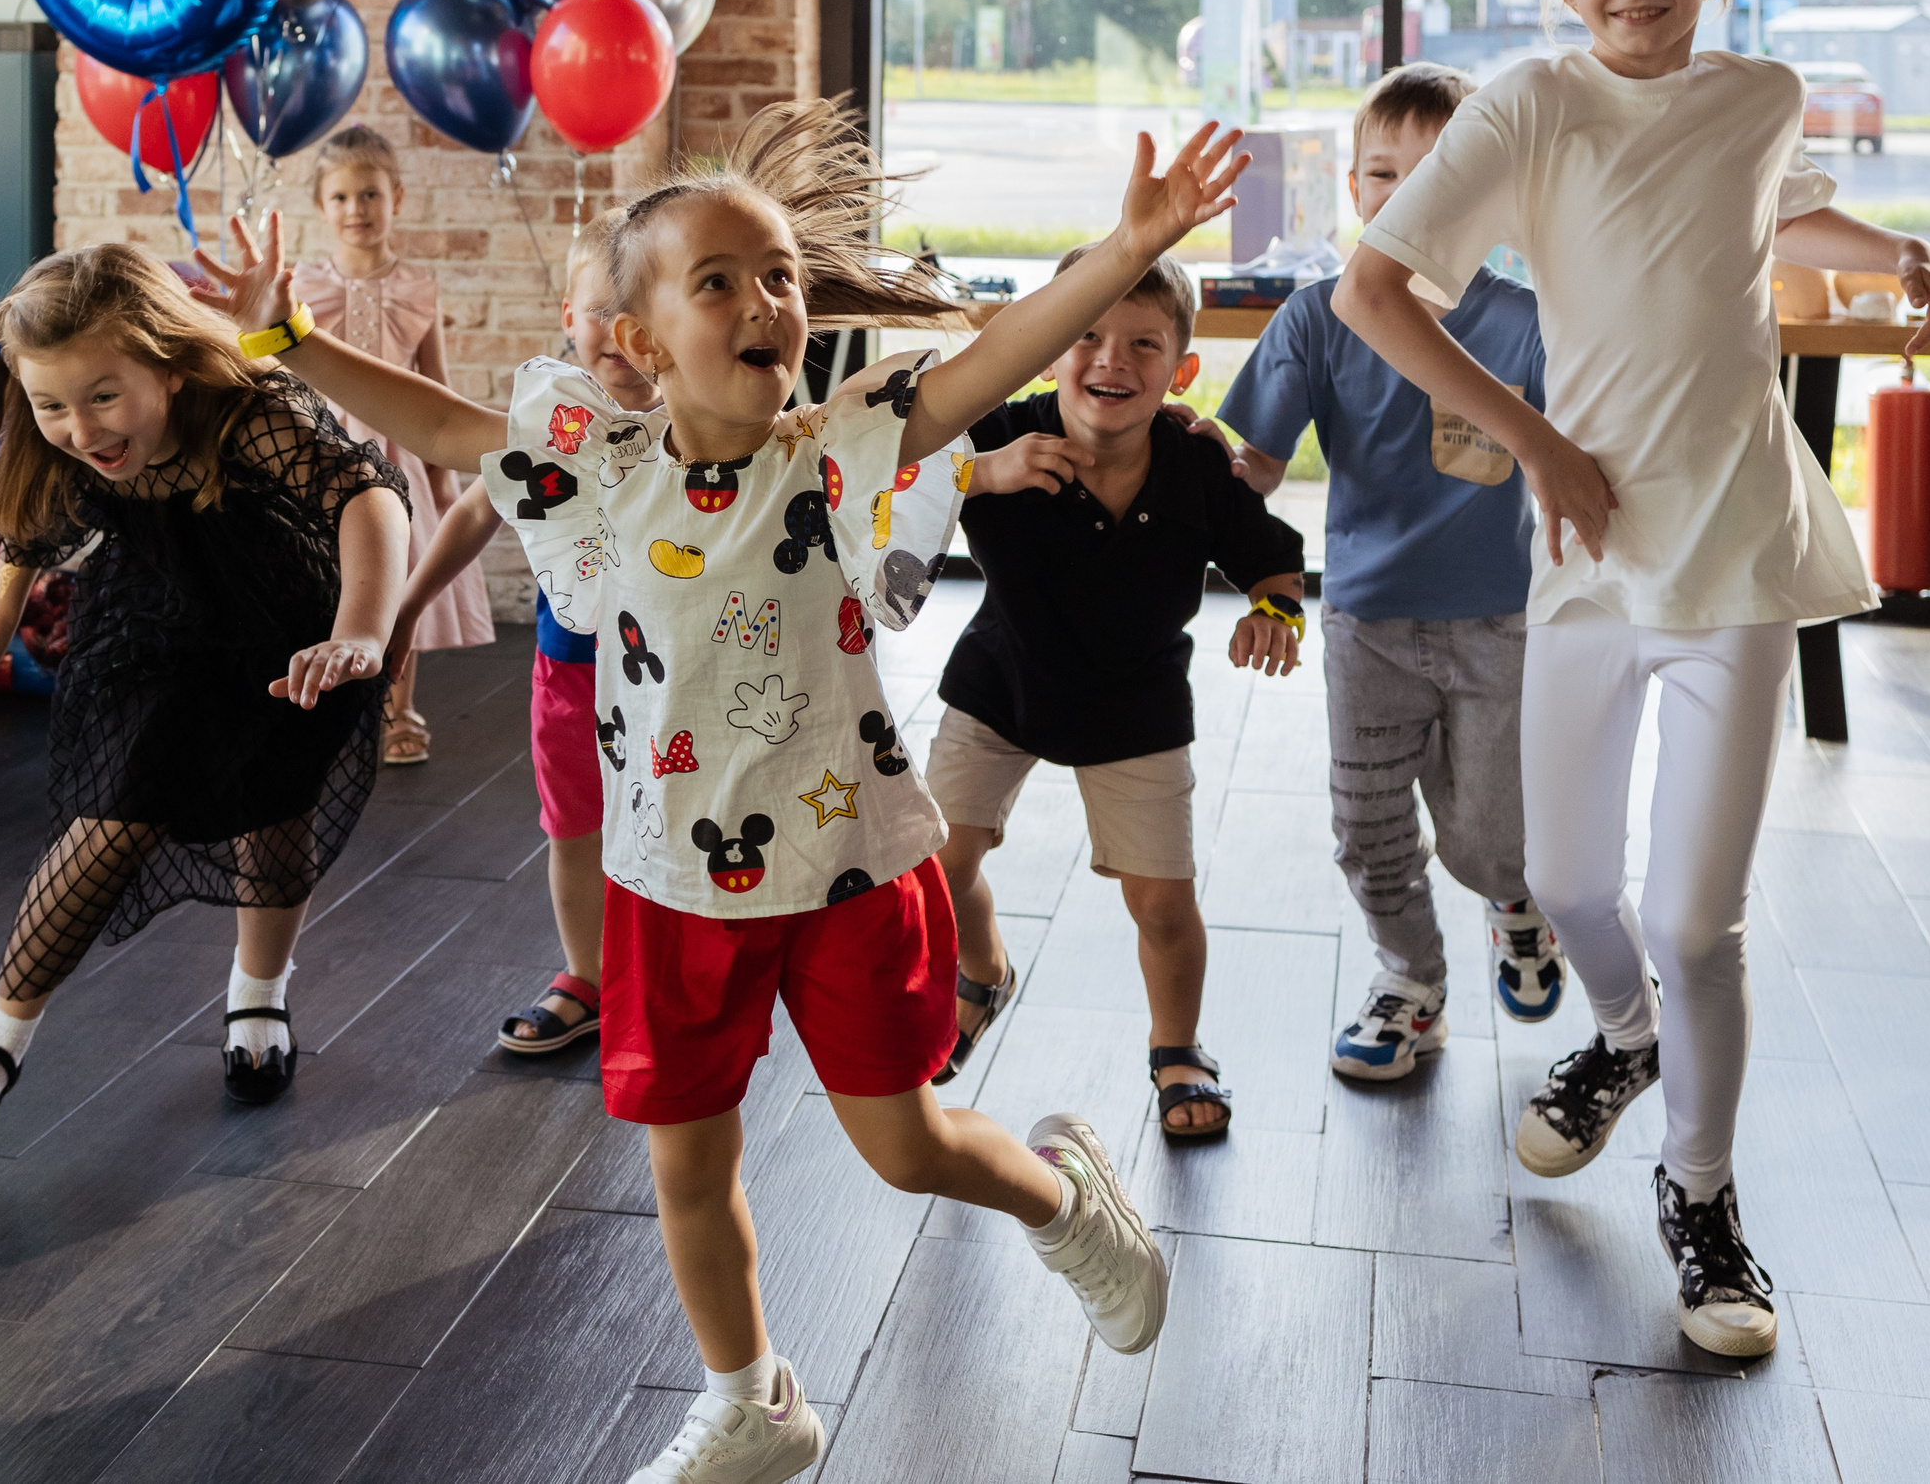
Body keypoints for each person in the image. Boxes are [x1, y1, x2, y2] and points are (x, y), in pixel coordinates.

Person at [260, 98, 1248, 1484]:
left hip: (847, 863)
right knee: (687, 1167)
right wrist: (289, 339)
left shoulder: (836, 450)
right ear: (642, 340)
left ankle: (1066, 1197)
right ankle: (752, 1399)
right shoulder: (596, 474)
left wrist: (1120, 247)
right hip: (671, 881)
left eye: (777, 274)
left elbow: (989, 362)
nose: (763, 298)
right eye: (716, 280)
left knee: (905, 1150)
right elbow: (439, 415)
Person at [1333, 0, 1930, 1358]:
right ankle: (1622, 1044)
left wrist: (1901, 251)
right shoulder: (1528, 106)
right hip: (1590, 553)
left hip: (1737, 551)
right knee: (1565, 885)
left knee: (1700, 919)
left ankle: (1703, 1201)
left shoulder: (1759, 96)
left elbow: (1761, 217)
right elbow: (1374, 286)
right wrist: (1540, 442)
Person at [0, 242, 410, 1140]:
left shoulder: (247, 409)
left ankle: (258, 998)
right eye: (52, 405)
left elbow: (368, 499)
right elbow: (31, 511)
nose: (82, 431)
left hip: (292, 629)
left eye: (103, 398)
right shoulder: (63, 436)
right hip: (153, 624)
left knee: (275, 812)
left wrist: (361, 629)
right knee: (112, 812)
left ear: (166, 363)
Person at [1215, 62, 1560, 1085]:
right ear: (1353, 193)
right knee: (1365, 830)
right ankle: (1410, 983)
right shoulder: (1316, 320)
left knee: (1488, 839)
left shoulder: (1529, 323)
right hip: (1364, 625)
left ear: (1486, 194)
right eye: (1380, 174)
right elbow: (1255, 464)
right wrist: (1185, 464)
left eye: (1437, 173)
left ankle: (1513, 903)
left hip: (1500, 623)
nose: (1404, 197)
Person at [929, 243, 1305, 1144]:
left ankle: (1177, 1048)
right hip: (1005, 677)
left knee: (1162, 905)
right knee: (936, 867)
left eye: (1143, 345)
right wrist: (985, 473)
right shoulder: (994, 433)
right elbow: (877, 481)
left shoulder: (1194, 464)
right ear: (1047, 347)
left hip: (1134, 701)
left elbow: (1276, 561)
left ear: (1181, 370)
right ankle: (981, 972)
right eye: (1085, 335)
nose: (1110, 360)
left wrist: (1276, 618)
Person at [381, 208, 652, 1054]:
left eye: (639, 308)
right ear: (567, 318)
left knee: (672, 829)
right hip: (570, 671)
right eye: (598, 308)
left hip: (682, 678)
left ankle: (675, 976)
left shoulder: (703, 412)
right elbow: (473, 509)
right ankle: (591, 976)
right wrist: (407, 608)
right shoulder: (548, 423)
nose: (617, 329)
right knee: (574, 829)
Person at [292, 124, 491, 765]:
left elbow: (436, 385)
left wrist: (444, 480)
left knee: (399, 579)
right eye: (343, 197)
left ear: (396, 199)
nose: (358, 210)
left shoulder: (418, 289)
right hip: (322, 455)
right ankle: (329, 703)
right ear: (323, 207)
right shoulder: (301, 291)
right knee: (326, 576)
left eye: (371, 195)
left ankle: (397, 708)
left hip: (399, 457)